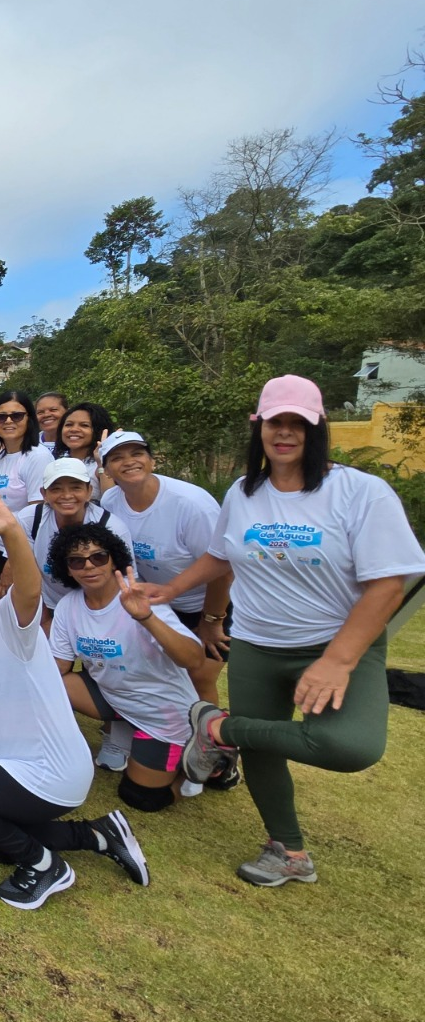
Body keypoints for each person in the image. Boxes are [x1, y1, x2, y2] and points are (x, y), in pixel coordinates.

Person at [145, 374, 425, 887]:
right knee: (265, 750)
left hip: (336, 643)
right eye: (277, 422)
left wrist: (338, 660)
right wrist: (168, 592)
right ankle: (287, 849)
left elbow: (387, 585)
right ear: (260, 427)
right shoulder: (244, 492)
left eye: (299, 423)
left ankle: (217, 729)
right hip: (256, 642)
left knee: (352, 748)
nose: (286, 433)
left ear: (318, 429)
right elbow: (219, 554)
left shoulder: (360, 492)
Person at [0, 493, 151, 910]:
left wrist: (12, 533)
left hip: (50, 770)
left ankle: (44, 865)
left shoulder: (13, 625)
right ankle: (100, 834)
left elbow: (29, 587)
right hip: (13, 766)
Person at [46, 523, 211, 813]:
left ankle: (209, 758)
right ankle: (122, 728)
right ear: (67, 568)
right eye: (76, 560)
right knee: (53, 684)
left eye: (98, 557)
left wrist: (147, 617)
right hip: (116, 697)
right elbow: (56, 668)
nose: (88, 566)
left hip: (164, 716)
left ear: (114, 560)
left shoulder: (138, 599)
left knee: (142, 797)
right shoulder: (68, 607)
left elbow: (194, 659)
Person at [99, 430, 230, 705]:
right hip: (160, 604)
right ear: (107, 470)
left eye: (137, 454)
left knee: (200, 678)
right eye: (117, 458)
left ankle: (210, 745)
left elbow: (224, 566)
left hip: (213, 603)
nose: (129, 462)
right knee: (160, 676)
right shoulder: (111, 502)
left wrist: (212, 620)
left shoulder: (192, 505)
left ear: (152, 460)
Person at [0, 457, 132, 619]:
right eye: (56, 489)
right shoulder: (31, 518)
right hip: (51, 604)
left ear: (89, 492)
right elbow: (23, 565)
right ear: (44, 494)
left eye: (76, 488)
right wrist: (43, 615)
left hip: (99, 609)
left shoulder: (112, 527)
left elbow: (127, 578)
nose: (67, 495)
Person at [0, 390, 53, 516]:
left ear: (29, 419)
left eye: (17, 416)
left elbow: (38, 513)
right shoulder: (2, 455)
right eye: (1, 417)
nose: (8, 421)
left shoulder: (38, 457)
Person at [51, 401, 115, 500]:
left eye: (84, 425)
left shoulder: (100, 465)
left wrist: (102, 463)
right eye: (69, 424)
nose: (74, 429)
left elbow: (111, 502)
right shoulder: (56, 462)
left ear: (98, 431)